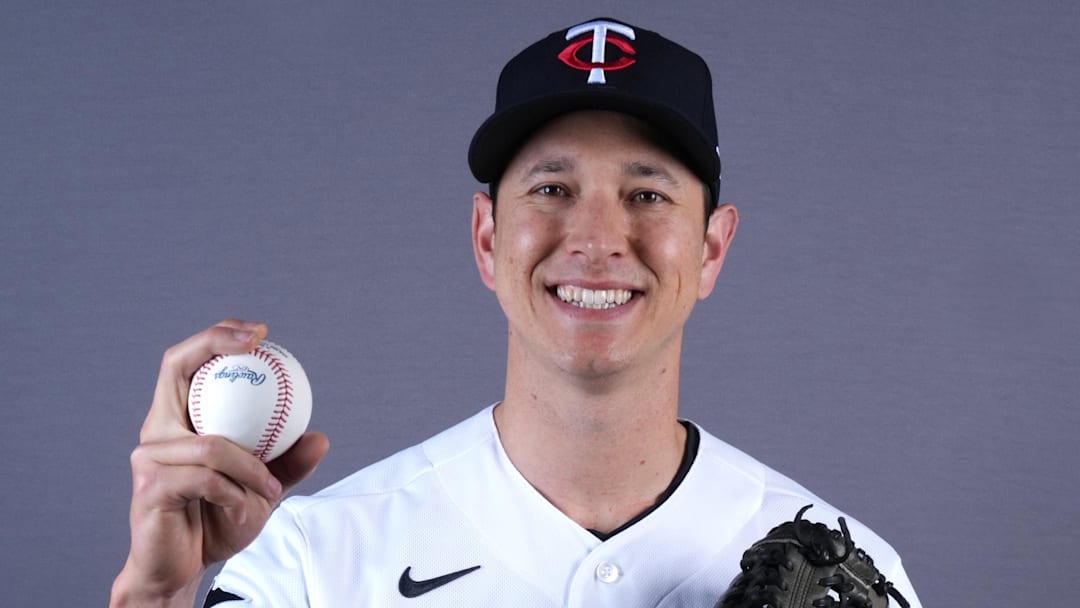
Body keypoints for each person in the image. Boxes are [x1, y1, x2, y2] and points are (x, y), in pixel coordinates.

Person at [110, 17, 922, 607]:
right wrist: (155, 595)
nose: (598, 237)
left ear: (711, 248)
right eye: (552, 189)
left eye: (645, 193)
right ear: (486, 236)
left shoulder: (855, 578)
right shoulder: (316, 563)